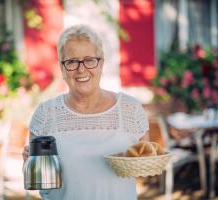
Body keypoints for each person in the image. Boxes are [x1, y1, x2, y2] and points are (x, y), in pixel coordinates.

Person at [23, 24, 149, 200]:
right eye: (72, 61)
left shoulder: (130, 110)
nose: (81, 69)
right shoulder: (45, 114)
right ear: (62, 67)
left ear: (102, 63)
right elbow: (42, 186)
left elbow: (145, 168)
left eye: (89, 59)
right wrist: (32, 167)